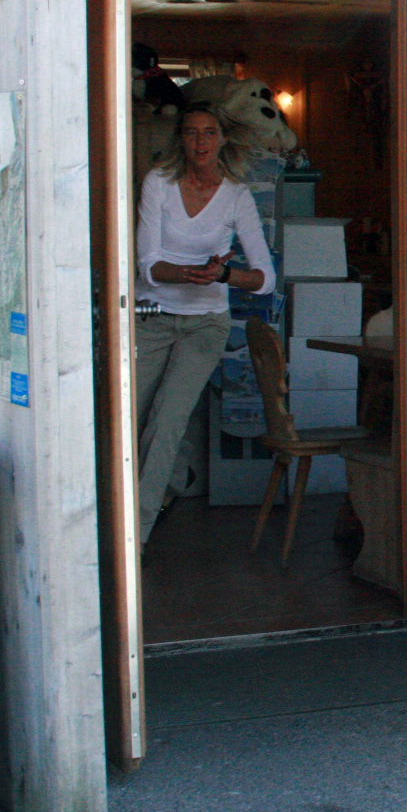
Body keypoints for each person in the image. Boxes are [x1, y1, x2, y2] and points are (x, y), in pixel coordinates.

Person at [134, 103, 276, 543]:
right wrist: (188, 273)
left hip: (206, 324)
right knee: (128, 420)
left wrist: (223, 276)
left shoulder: (236, 195)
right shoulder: (158, 182)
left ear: (222, 139)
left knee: (166, 422)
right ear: (181, 138)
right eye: (192, 133)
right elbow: (147, 266)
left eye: (209, 133)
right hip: (152, 316)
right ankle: (177, 476)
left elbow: (265, 279)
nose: (200, 143)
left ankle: (132, 537)